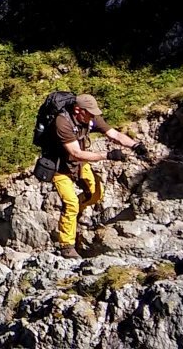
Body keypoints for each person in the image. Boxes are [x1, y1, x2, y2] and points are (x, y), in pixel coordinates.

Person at [49, 93, 143, 258]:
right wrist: (108, 155)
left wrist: (135, 145)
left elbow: (114, 135)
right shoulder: (62, 122)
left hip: (79, 164)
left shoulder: (91, 117)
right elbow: (76, 153)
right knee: (70, 203)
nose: (93, 116)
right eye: (90, 113)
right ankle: (67, 246)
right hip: (59, 167)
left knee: (96, 194)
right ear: (78, 110)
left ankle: (77, 210)